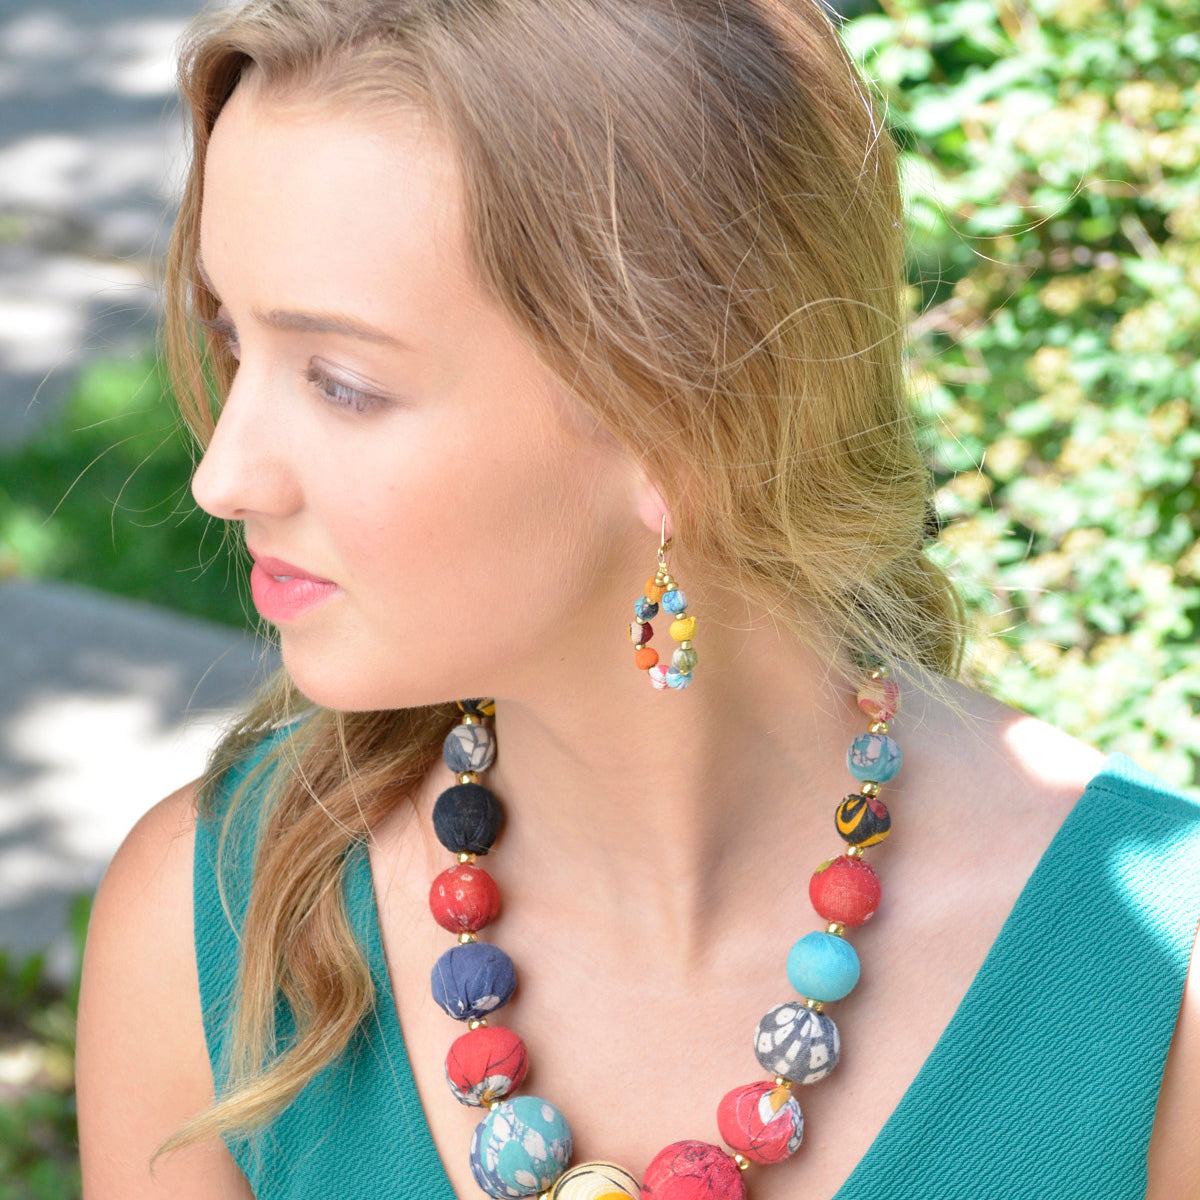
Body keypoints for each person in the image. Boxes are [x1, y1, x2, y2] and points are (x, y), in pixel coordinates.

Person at [74, 0, 1200, 1197]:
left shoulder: (1158, 999)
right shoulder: (213, 933)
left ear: (682, 419)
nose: (223, 473)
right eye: (233, 344)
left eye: (342, 383)